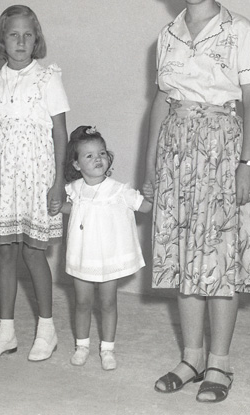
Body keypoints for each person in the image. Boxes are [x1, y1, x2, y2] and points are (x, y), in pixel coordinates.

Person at [143, 0, 250, 403]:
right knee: (182, 257)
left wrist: (248, 163)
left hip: (222, 151)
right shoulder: (167, 35)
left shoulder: (240, 30)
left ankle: (220, 361)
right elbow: (161, 101)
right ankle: (191, 357)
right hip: (176, 152)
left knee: (219, 259)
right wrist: (151, 168)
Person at [0, 5, 69, 363]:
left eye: (28, 35)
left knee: (33, 251)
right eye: (13, 34)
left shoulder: (47, 78)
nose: (21, 41)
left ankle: (47, 329)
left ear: (36, 39)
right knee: (4, 252)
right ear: (2, 39)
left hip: (37, 176)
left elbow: (60, 132)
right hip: (2, 178)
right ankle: (6, 332)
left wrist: (59, 182)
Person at [61, 126, 150, 370]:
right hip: (83, 255)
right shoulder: (74, 188)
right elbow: (75, 209)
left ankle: (107, 348)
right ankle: (82, 345)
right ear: (76, 164)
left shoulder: (119, 190)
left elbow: (144, 207)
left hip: (108, 257)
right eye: (89, 155)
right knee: (82, 302)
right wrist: (57, 207)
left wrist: (152, 193)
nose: (97, 159)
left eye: (101, 153)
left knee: (108, 303)